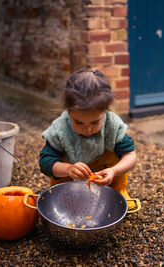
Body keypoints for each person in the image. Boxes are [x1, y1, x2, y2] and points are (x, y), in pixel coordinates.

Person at [38, 69, 137, 210]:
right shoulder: (60, 128)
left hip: (103, 171)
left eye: (95, 122)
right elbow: (45, 162)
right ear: (68, 111)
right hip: (69, 173)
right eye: (78, 123)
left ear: (106, 111)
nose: (87, 129)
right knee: (58, 159)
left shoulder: (112, 125)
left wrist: (114, 171)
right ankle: (62, 193)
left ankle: (118, 190)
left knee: (117, 151)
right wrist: (68, 169)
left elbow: (130, 156)